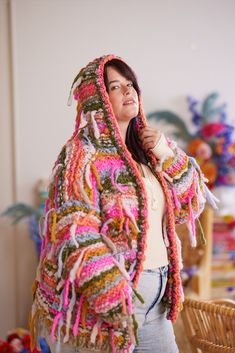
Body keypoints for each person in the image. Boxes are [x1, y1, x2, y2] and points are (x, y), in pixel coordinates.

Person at [30, 54, 218, 353]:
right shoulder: (82, 153)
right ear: (97, 100)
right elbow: (75, 231)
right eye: (115, 87)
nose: (128, 91)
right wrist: (112, 294)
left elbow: (190, 204)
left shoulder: (146, 152)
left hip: (158, 299)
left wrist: (166, 152)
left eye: (130, 84)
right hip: (112, 301)